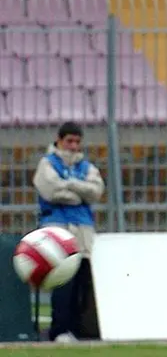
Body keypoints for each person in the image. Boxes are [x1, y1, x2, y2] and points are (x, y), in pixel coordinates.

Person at [32, 121, 105, 342]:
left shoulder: (87, 166)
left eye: (77, 142)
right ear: (59, 140)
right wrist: (79, 193)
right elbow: (51, 190)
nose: (73, 146)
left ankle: (78, 329)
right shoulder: (48, 163)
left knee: (82, 281)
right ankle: (59, 330)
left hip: (83, 230)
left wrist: (69, 185)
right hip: (57, 227)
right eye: (69, 141)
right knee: (63, 280)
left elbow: (97, 191)